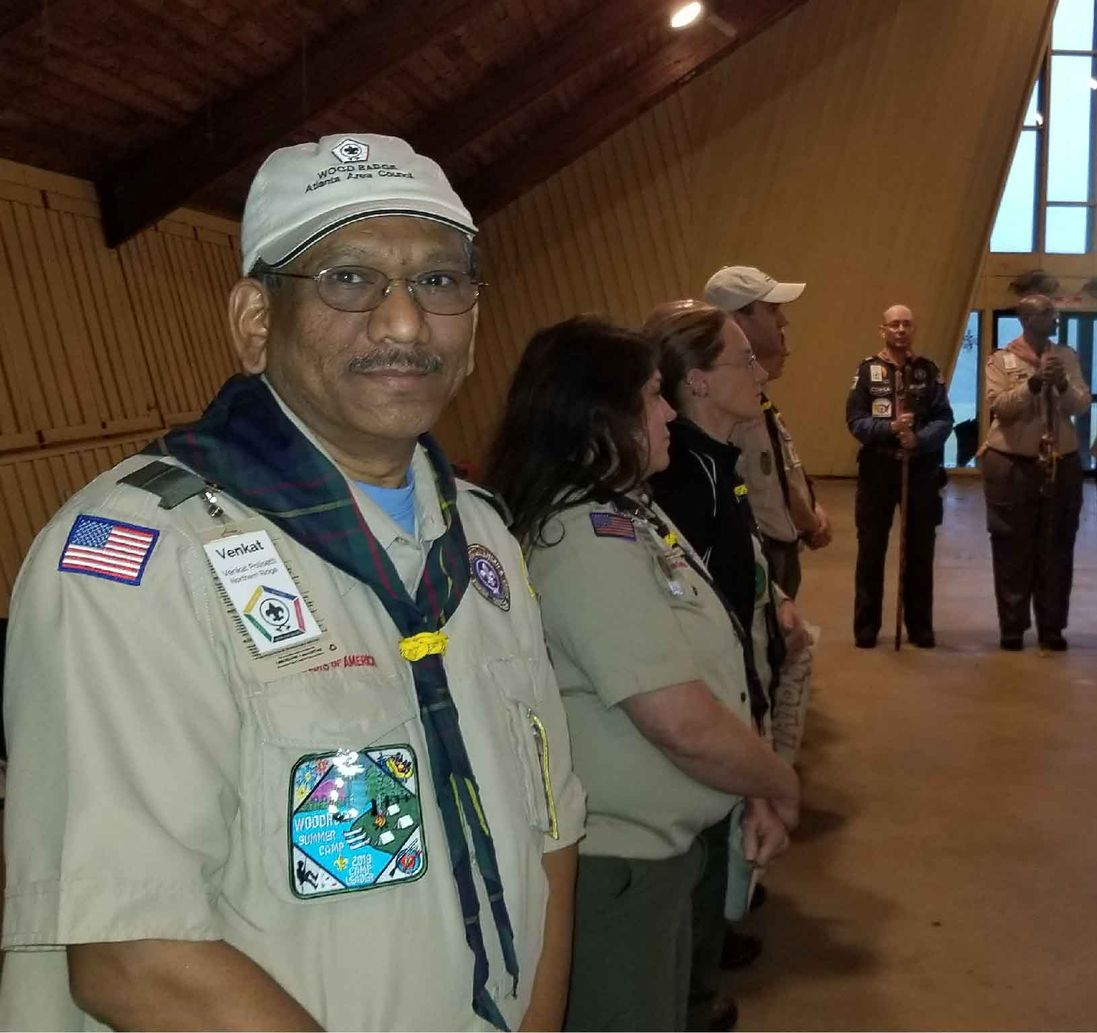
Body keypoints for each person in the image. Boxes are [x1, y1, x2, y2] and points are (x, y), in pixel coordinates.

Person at [0, 134, 585, 1032]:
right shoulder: (142, 560)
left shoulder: (485, 539)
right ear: (255, 321)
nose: (402, 324)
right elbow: (132, 954)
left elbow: (551, 825)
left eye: (438, 282)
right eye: (348, 280)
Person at [485, 316, 799, 1032]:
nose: (666, 413)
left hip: (656, 856)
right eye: (653, 396)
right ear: (600, 416)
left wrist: (743, 780)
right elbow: (681, 721)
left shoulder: (626, 512)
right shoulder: (583, 542)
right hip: (615, 867)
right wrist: (776, 780)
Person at [643, 301, 814, 1030]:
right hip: (709, 690)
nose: (758, 369)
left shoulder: (719, 458)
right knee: (701, 845)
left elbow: (732, 564)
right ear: (700, 384)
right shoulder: (680, 472)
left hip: (739, 673)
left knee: (718, 842)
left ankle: (703, 962)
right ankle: (687, 994)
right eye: (741, 359)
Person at [703, 265, 831, 598]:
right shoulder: (725, 402)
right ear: (737, 321)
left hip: (780, 547)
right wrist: (809, 520)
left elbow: (779, 467)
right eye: (771, 310)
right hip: (757, 550)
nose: (783, 321)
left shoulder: (755, 397)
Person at [982, 294, 1090, 651]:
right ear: (1027, 319)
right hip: (1013, 463)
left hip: (1061, 462)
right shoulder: (1001, 359)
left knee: (1057, 545)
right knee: (1012, 546)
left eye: (1055, 313)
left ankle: (1052, 627)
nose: (1055, 318)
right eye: (1047, 313)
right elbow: (999, 407)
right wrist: (1031, 385)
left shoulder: (1067, 357)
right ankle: (1012, 627)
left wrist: (1060, 384)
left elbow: (1080, 403)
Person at [845, 304, 954, 648]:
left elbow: (944, 419)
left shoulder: (927, 370)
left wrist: (918, 440)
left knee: (919, 551)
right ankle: (866, 628)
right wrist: (890, 429)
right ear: (883, 330)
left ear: (913, 330)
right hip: (878, 469)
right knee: (871, 550)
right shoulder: (867, 371)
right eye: (894, 324)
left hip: (920, 469)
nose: (901, 330)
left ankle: (919, 626)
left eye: (907, 324)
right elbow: (856, 420)